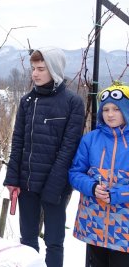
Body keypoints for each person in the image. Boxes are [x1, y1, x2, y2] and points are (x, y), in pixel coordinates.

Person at [3, 47, 85, 267]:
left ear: (55, 70)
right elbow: (17, 141)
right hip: (27, 183)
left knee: (54, 241)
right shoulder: (27, 101)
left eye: (41, 69)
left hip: (55, 185)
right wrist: (12, 178)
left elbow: (69, 148)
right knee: (27, 241)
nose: (35, 74)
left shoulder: (72, 103)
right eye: (33, 69)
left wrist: (54, 187)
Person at [69, 82, 129, 267]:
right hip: (94, 220)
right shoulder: (90, 139)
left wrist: (118, 194)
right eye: (106, 109)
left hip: (124, 225)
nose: (110, 114)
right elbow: (75, 173)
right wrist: (92, 187)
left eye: (116, 109)